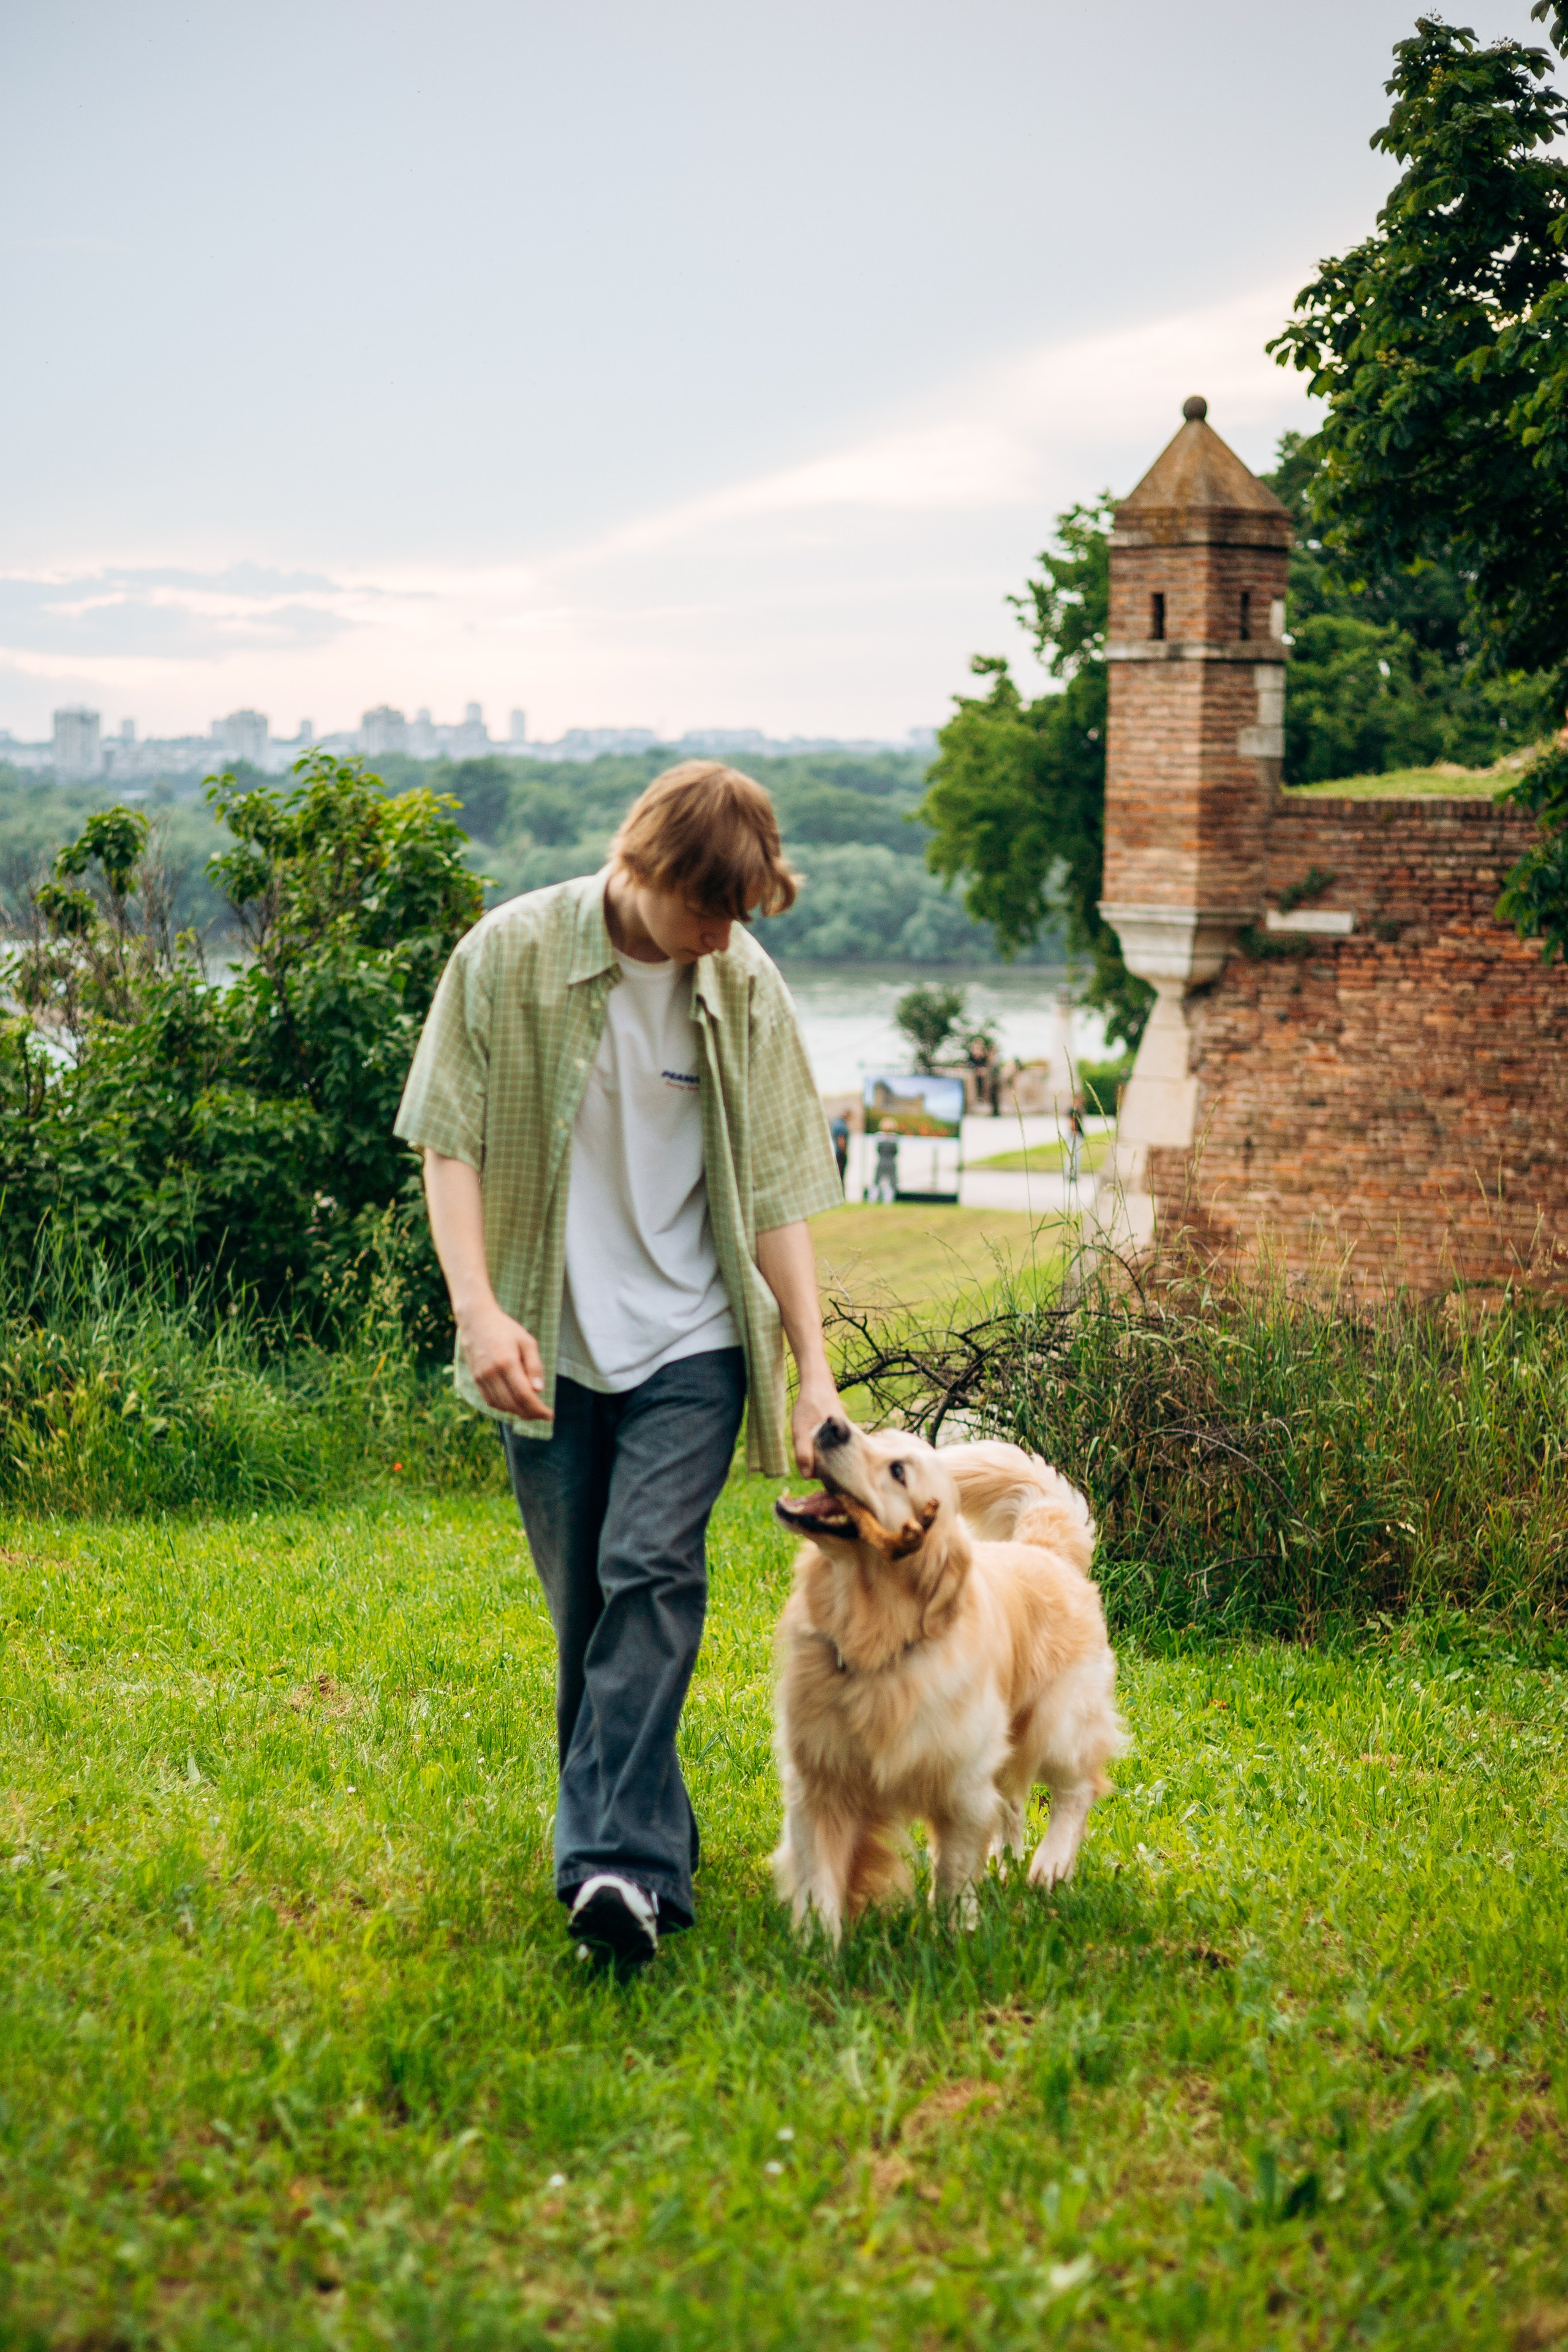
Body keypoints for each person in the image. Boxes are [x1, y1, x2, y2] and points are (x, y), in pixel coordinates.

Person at [394, 761, 844, 1978]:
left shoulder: (740, 983)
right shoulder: (509, 955)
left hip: (693, 1342)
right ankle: (647, 1843)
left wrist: (813, 1369)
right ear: (643, 868)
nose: (722, 937)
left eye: (739, 915)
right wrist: (477, 1310)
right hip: (546, 1338)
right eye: (706, 910)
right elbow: (448, 1143)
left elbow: (780, 1192)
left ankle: (615, 1870)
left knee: (649, 1572)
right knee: (589, 1617)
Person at [871, 1118, 900, 1203]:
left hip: (882, 1161)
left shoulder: (879, 1138)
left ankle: (873, 1199)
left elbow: (878, 1150)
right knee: (891, 1182)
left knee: (877, 1181)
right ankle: (888, 1200)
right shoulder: (895, 1139)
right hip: (891, 1162)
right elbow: (896, 1152)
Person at [829, 1114, 850, 1189]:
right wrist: (845, 1152)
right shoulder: (841, 1125)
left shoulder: (836, 1123)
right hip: (841, 1154)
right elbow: (841, 1141)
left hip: (838, 1153)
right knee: (840, 1175)